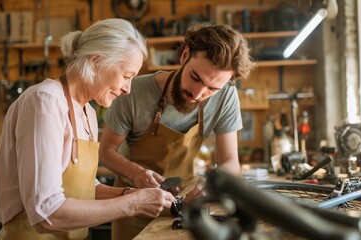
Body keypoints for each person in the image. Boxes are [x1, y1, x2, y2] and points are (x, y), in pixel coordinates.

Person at [0, 18, 175, 240]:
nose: (128, 89)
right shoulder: (45, 102)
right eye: (126, 76)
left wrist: (134, 194)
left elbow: (84, 188)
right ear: (95, 61)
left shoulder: (86, 111)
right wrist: (132, 204)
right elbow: (45, 213)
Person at [99, 23, 255, 240]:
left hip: (187, 205)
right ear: (184, 56)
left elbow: (230, 162)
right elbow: (106, 151)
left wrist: (213, 184)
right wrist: (137, 174)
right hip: (135, 205)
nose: (198, 93)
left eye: (212, 89)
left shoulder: (227, 96)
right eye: (196, 77)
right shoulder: (133, 92)